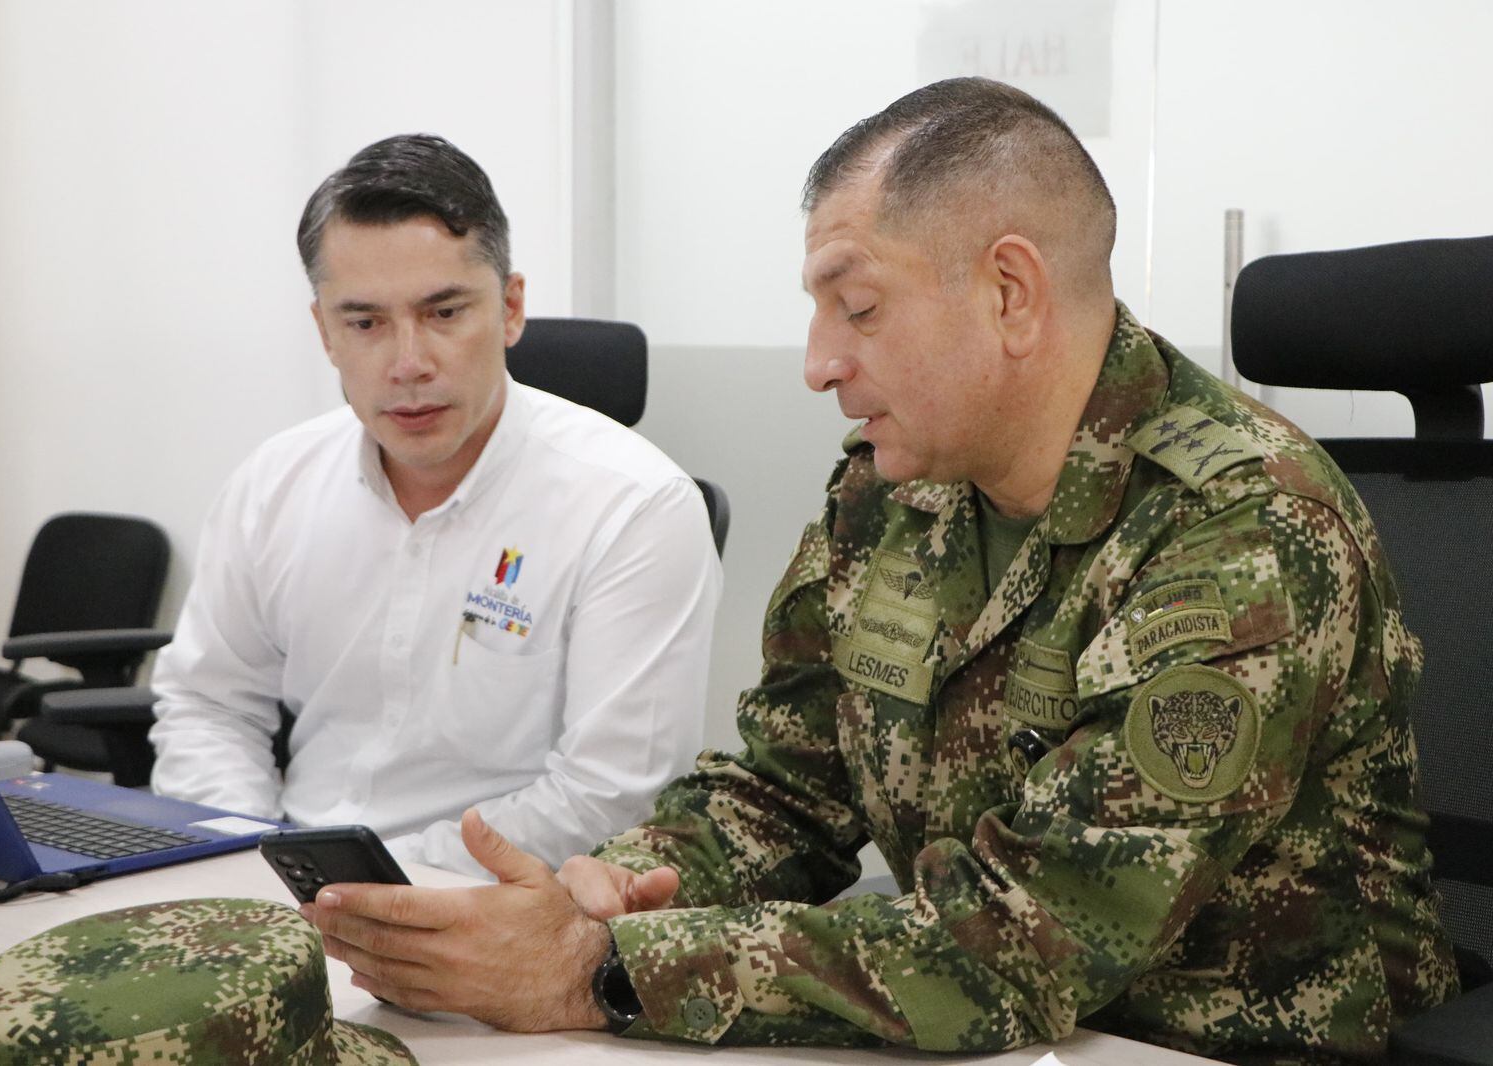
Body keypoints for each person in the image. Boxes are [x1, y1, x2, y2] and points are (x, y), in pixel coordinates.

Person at [300, 81, 1458, 1060]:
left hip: (1218, 1045)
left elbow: (1028, 936)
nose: (817, 363)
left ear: (1010, 293)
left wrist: (599, 968)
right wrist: (623, 883)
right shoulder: (894, 484)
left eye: (856, 307)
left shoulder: (1242, 530)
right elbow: (786, 787)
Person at [148, 134, 722, 877]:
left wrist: (365, 881)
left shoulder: (634, 506)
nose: (409, 362)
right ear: (324, 332)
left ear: (511, 309)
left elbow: (609, 796)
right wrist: (252, 855)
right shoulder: (274, 484)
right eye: (365, 323)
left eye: (445, 313)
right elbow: (208, 704)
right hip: (282, 883)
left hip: (499, 908)